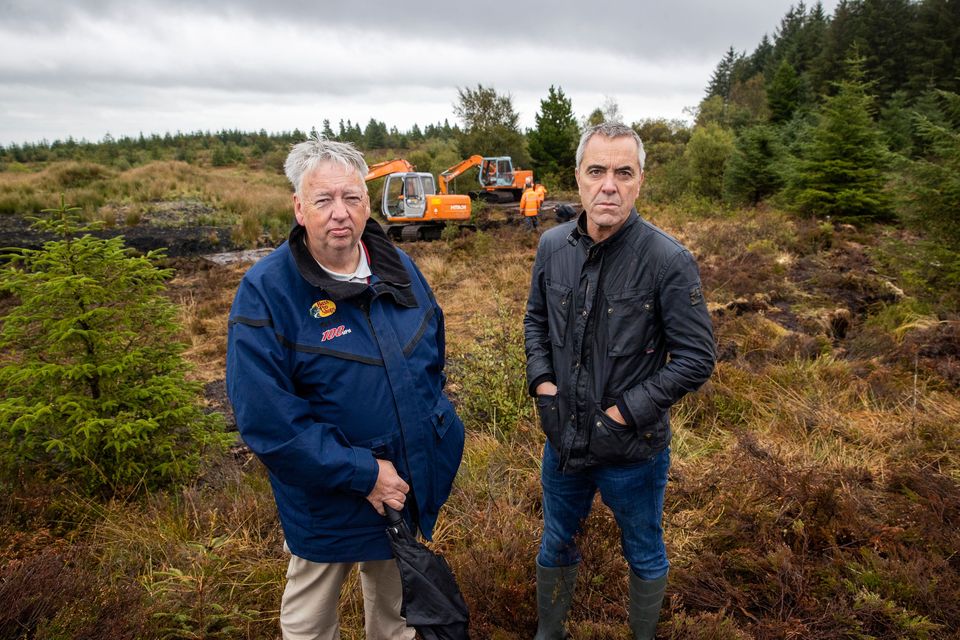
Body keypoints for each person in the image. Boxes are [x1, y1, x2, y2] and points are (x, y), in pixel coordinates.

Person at [226, 134, 465, 640]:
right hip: (324, 498)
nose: (340, 213)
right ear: (298, 207)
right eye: (324, 199)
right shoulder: (267, 291)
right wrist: (361, 472)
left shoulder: (401, 269)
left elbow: (431, 361)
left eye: (351, 198)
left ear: (366, 202)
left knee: (398, 612)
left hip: (402, 486)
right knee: (310, 621)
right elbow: (267, 420)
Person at [523, 122, 716, 639]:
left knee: (644, 548)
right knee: (556, 539)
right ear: (579, 178)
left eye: (622, 172)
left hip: (634, 451)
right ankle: (550, 633)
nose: (609, 185)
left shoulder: (668, 260)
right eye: (597, 171)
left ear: (639, 181)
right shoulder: (552, 246)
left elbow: (697, 357)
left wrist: (622, 414)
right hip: (563, 439)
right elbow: (536, 321)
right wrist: (544, 387)